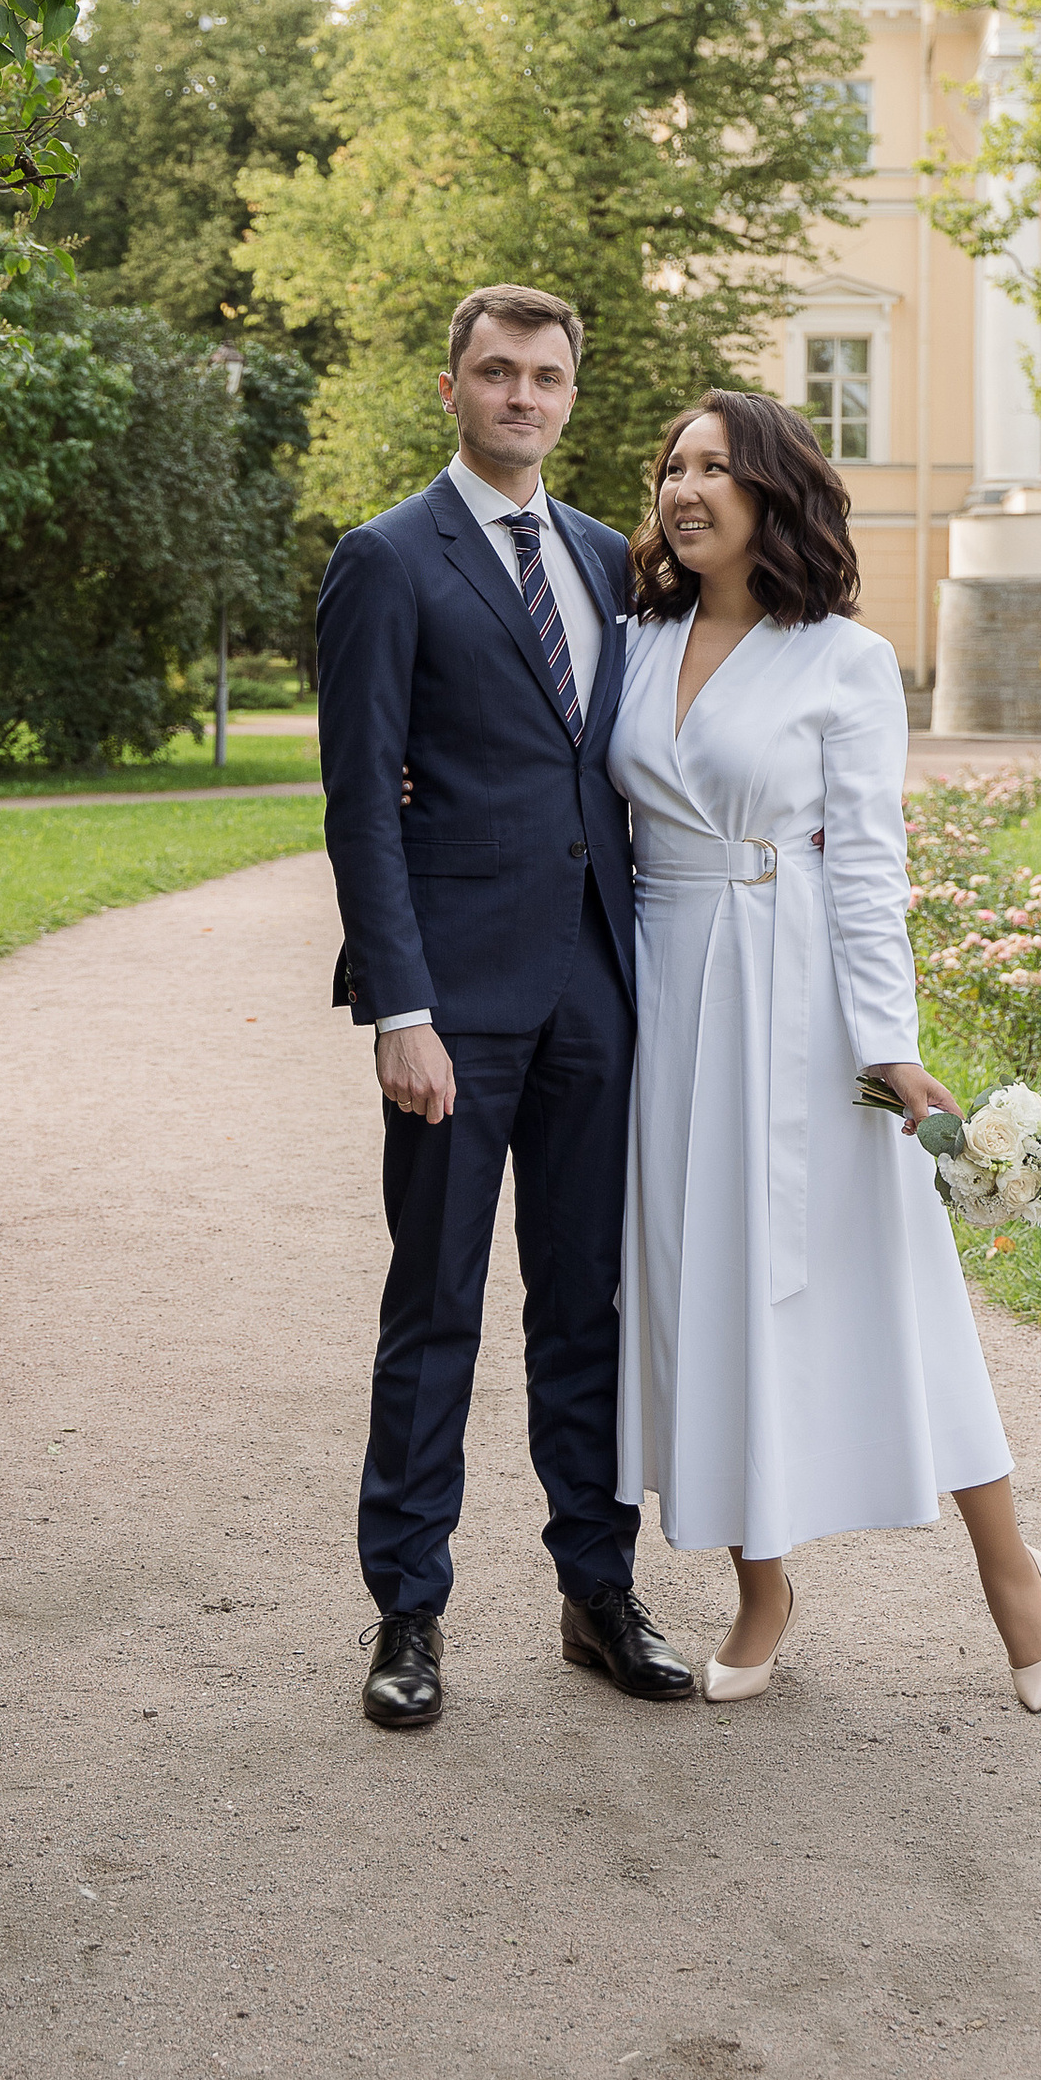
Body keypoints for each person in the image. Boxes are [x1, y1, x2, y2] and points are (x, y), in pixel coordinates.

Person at [611, 391, 1041, 1710]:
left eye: (716, 467)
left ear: (773, 493)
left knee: (889, 1284)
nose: (686, 489)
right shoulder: (638, 639)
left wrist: (892, 1045)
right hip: (664, 999)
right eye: (673, 467)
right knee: (702, 1288)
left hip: (802, 1005)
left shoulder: (845, 661)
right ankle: (762, 1588)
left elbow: (869, 867)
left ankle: (1011, 1572)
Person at [317, 285, 696, 1733]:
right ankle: (407, 1612)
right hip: (455, 1005)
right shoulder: (385, 560)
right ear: (451, 388)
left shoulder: (609, 558)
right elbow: (362, 805)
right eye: (495, 372)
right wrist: (397, 1007)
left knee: (587, 1300)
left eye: (544, 376)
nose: (520, 396)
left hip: (600, 987)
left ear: (570, 396)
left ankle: (599, 1591)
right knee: (436, 1303)